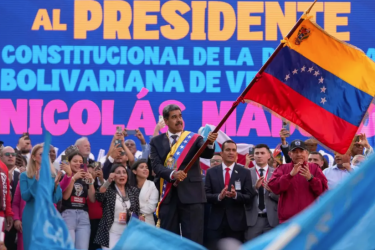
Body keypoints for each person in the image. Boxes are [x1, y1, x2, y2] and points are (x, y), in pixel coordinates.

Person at [150, 104, 217, 244]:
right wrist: (173, 174)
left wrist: (210, 143)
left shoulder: (194, 138)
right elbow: (156, 166)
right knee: (168, 241)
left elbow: (207, 153)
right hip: (168, 197)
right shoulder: (156, 141)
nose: (179, 120)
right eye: (174, 117)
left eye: (180, 116)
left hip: (192, 196)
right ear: (166, 121)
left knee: (193, 240)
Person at [205, 140, 254, 247]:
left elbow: (249, 196)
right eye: (228, 150)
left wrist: (236, 195)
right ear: (221, 153)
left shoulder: (244, 172)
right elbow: (205, 195)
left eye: (233, 150)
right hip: (215, 223)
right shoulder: (211, 172)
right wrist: (218, 196)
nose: (231, 152)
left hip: (236, 224)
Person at [268, 139, 328, 223]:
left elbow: (324, 191)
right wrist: (290, 175)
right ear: (290, 154)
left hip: (310, 218)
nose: (299, 154)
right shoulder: (283, 168)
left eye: (301, 151)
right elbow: (274, 187)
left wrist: (311, 178)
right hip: (288, 220)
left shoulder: (314, 168)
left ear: (306, 153)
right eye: (295, 151)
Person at [19, 144, 62, 249]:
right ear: (33, 157)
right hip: (31, 214)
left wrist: (56, 186)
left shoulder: (52, 175)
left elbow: (55, 199)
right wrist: (36, 181)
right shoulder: (25, 175)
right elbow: (25, 196)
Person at [94, 164, 141, 249]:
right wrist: (108, 181)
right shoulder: (109, 190)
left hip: (127, 232)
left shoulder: (133, 190)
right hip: (110, 232)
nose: (122, 175)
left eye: (124, 172)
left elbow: (137, 210)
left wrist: (141, 217)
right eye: (118, 173)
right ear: (113, 176)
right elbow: (99, 196)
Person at [61, 152, 96, 250]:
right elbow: (65, 197)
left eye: (80, 161)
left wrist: (91, 182)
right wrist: (73, 179)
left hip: (83, 216)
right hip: (68, 214)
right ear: (69, 162)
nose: (78, 164)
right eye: (75, 161)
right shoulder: (66, 176)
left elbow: (92, 199)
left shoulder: (85, 177)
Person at [245, 144, 279, 241]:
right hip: (253, 219)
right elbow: (243, 196)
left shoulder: (277, 172)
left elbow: (283, 197)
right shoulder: (246, 173)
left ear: (269, 155)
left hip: (272, 219)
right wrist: (255, 188)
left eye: (262, 153)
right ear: (253, 156)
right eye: (257, 153)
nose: (259, 156)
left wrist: (271, 191)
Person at [131, 159, 158, 226]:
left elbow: (151, 207)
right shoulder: (129, 186)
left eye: (146, 167)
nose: (145, 169)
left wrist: (134, 211)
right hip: (131, 221)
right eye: (142, 167)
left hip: (147, 222)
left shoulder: (152, 185)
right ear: (134, 171)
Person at [87, 163, 104, 250]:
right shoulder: (84, 182)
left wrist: (101, 178)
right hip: (89, 221)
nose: (94, 171)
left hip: (102, 221)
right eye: (92, 169)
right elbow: (91, 197)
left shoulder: (102, 183)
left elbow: (107, 194)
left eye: (96, 169)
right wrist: (91, 179)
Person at [11, 183, 25, 250]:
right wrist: (16, 219)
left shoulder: (48, 180)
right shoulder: (23, 179)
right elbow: (15, 204)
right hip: (23, 227)